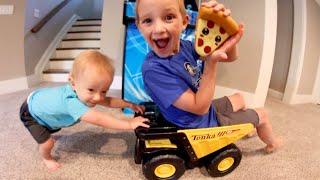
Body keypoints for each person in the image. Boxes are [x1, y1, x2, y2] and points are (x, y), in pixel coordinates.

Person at [135, 0, 282, 153]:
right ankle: (273, 143)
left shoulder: (185, 46)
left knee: (240, 98)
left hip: (203, 112)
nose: (158, 29)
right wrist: (211, 64)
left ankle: (246, 124)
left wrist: (226, 34)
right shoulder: (154, 70)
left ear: (184, 22)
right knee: (263, 114)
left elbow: (230, 57)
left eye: (168, 17)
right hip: (195, 126)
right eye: (148, 20)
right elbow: (200, 108)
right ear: (139, 26)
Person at [19, 50, 149, 172]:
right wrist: (129, 124)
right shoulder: (72, 103)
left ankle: (49, 129)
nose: (98, 97)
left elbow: (109, 101)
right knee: (48, 142)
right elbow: (99, 119)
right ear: (73, 83)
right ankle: (46, 158)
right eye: (91, 90)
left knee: (54, 122)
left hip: (42, 103)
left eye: (103, 91)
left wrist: (130, 105)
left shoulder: (85, 91)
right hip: (32, 114)